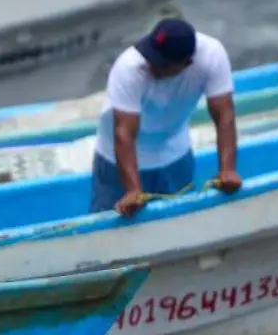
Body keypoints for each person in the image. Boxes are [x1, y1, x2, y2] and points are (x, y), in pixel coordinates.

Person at [91, 17, 241, 217]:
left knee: (183, 222)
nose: (151, 66)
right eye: (150, 56)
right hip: (115, 160)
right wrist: (133, 190)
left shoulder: (212, 56)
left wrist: (227, 170)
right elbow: (124, 133)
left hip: (175, 154)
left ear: (188, 63)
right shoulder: (129, 67)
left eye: (160, 63)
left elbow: (224, 115)